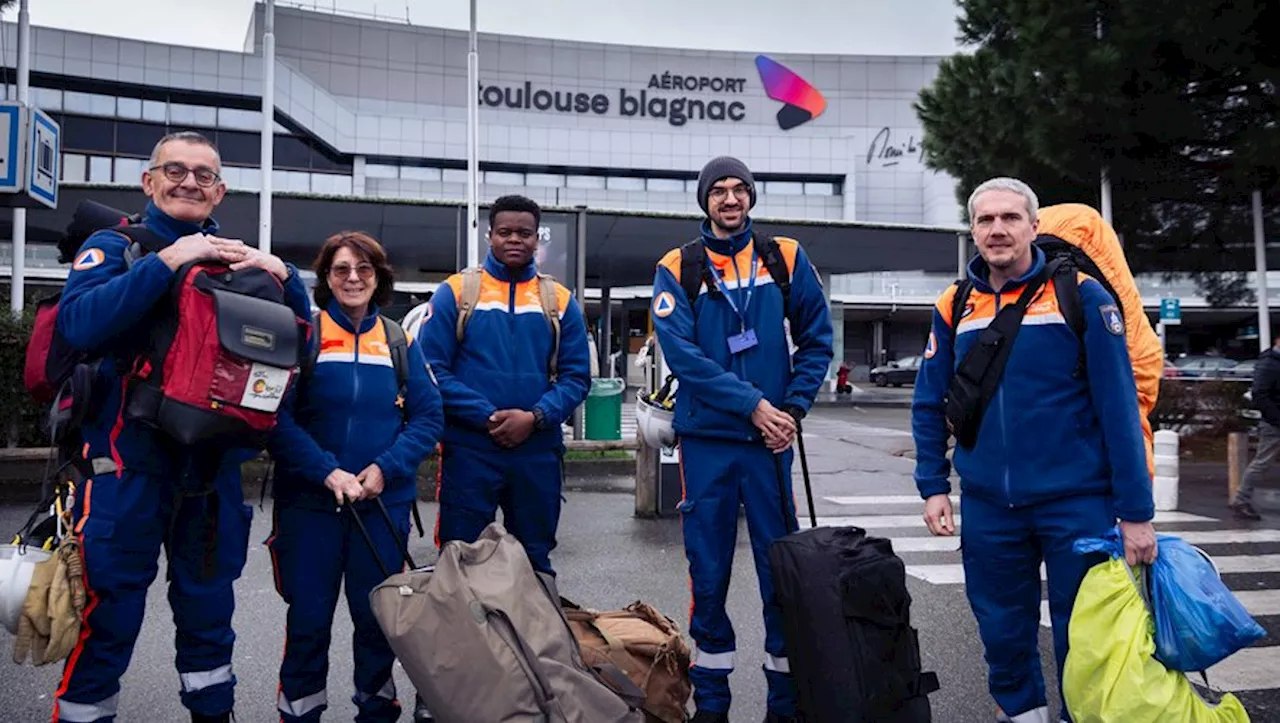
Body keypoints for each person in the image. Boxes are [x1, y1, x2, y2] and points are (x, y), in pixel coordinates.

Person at [52, 131, 313, 723]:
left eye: (203, 175)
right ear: (149, 181)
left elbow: (305, 350)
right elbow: (80, 324)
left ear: (219, 190)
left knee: (209, 622)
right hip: (127, 466)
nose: (189, 181)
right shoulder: (116, 245)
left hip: (212, 473)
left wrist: (284, 275)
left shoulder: (238, 260)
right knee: (108, 616)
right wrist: (170, 259)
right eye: (175, 170)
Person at [911, 177, 1158, 723]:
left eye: (1010, 218)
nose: (998, 230)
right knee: (1001, 634)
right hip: (989, 509)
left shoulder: (1083, 297)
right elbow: (930, 403)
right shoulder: (955, 306)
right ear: (973, 230)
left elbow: (1120, 409)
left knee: (1086, 638)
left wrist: (1136, 514)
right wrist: (932, 486)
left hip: (1077, 506)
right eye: (985, 220)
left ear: (1034, 226)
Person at [649, 156, 833, 723]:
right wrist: (753, 405)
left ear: (751, 197)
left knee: (783, 574)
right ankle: (713, 706)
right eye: (719, 191)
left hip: (771, 445)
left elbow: (817, 342)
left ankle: (784, 702)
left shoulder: (786, 258)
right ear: (704, 201)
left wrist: (791, 411)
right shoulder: (679, 266)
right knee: (709, 574)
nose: (730, 200)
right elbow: (683, 356)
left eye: (739, 190)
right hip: (709, 443)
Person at [415, 194, 590, 720]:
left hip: (535, 454)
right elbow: (432, 370)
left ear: (538, 238)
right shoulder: (457, 293)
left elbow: (577, 377)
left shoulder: (559, 300)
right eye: (505, 232)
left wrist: (534, 418)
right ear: (489, 235)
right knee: (457, 565)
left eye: (525, 233)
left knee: (535, 562)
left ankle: (544, 677)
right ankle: (442, 686)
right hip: (472, 450)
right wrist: (492, 415)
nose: (515, 240)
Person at [266, 231, 443, 722]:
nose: (353, 278)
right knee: (308, 624)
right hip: (310, 508)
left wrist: (386, 469)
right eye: (341, 269)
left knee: (379, 624)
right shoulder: (305, 335)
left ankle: (377, 712)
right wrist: (327, 472)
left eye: (364, 269)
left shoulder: (399, 339)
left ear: (378, 277)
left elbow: (429, 418)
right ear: (325, 278)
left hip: (381, 508)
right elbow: (274, 418)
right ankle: (299, 714)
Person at [1234, 336, 1280, 520]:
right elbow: (1260, 394)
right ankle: (1241, 499)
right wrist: (1276, 419)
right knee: (1262, 463)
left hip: (1274, 419)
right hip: (1274, 422)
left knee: (1262, 462)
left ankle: (1241, 499)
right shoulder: (1269, 364)